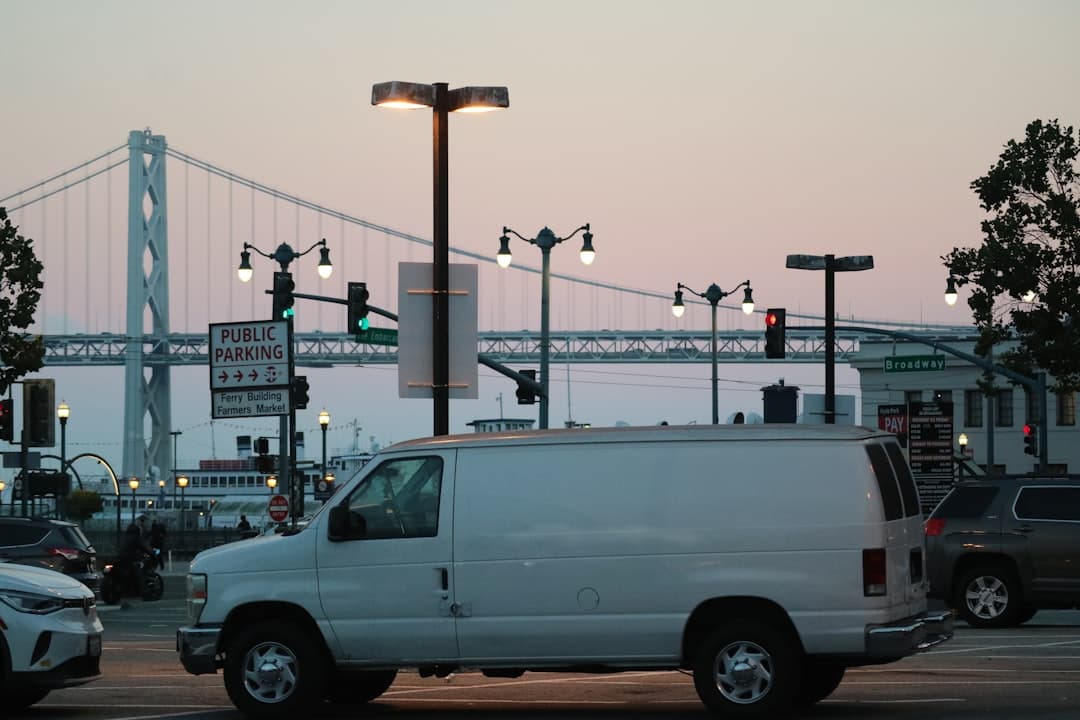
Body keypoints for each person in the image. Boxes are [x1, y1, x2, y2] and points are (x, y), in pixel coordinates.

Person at [117, 522, 153, 589]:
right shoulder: (136, 537)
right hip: (129, 559)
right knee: (139, 573)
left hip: (120, 558)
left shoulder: (125, 537)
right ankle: (145, 593)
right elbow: (144, 547)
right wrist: (151, 554)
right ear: (137, 530)